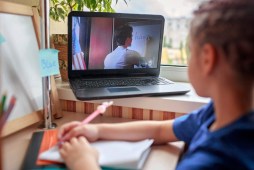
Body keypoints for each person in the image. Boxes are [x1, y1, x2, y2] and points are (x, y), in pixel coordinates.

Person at [58, 0, 254, 169]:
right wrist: (97, 130)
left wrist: (83, 163)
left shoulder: (211, 162)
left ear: (207, 58)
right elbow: (160, 130)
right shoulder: (216, 114)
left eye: (190, 50)